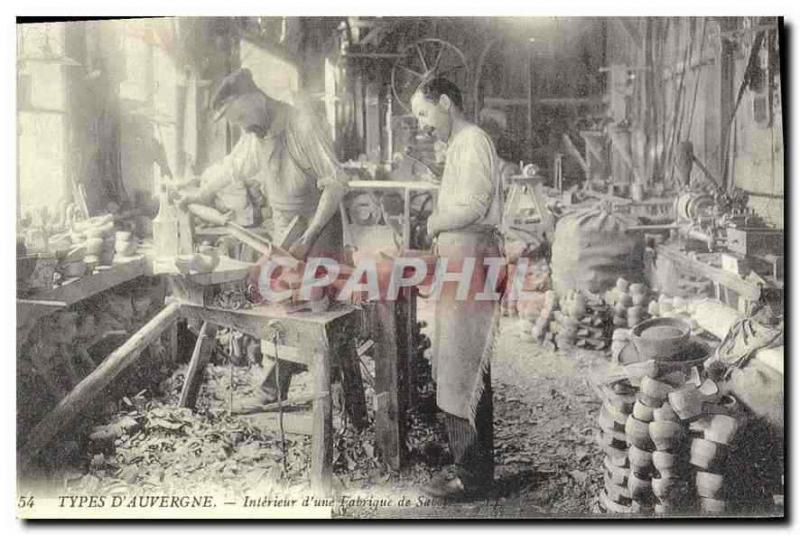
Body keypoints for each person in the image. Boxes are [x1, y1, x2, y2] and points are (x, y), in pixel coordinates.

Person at [177, 67, 348, 404]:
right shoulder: (257, 134)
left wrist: (309, 237)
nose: (242, 125)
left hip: (319, 226)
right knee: (281, 303)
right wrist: (198, 194)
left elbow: (336, 183)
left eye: (241, 115)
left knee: (318, 312)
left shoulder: (302, 124)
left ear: (255, 98)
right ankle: (273, 390)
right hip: (285, 227)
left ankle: (337, 395)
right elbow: (231, 167)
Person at [410, 77, 504, 499]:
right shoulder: (461, 144)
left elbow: (473, 205)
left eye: (424, 113)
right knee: (457, 363)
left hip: (471, 257)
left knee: (462, 364)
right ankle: (469, 461)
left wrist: (432, 222)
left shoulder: (473, 140)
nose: (423, 124)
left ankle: (472, 475)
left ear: (446, 102)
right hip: (461, 257)